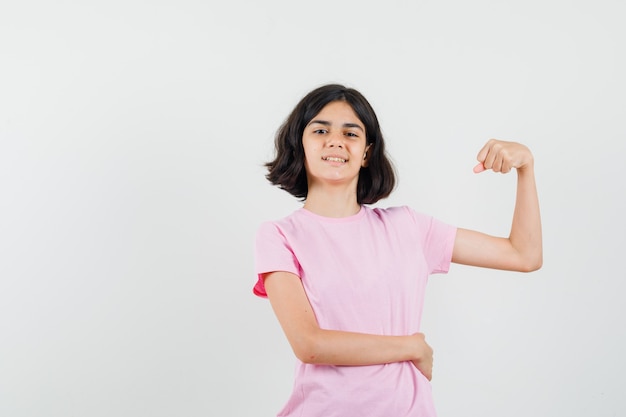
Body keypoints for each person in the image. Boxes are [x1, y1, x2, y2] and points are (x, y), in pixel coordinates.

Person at [253, 84, 542, 417]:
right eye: (320, 130)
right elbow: (310, 345)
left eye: (351, 133)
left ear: (366, 153)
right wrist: (410, 347)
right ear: (299, 145)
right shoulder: (279, 235)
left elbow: (524, 255)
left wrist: (526, 168)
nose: (335, 141)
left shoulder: (409, 228)